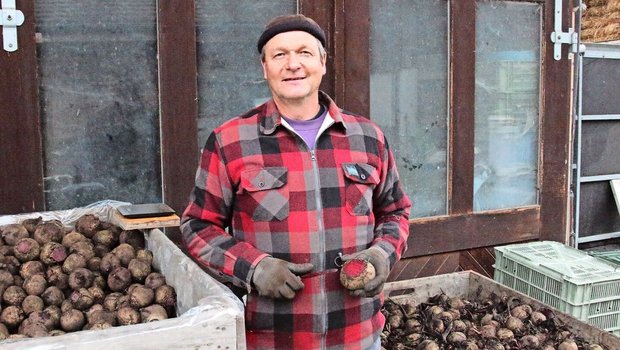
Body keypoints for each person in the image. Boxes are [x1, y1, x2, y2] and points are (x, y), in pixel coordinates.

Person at [181, 14, 411, 350]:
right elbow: (198, 225)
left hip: (358, 336)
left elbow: (396, 212)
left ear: (322, 63)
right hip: (273, 339)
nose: (293, 65)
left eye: (304, 52)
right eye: (279, 55)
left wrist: (382, 255)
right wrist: (254, 268)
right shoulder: (230, 141)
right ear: (264, 68)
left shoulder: (367, 137)